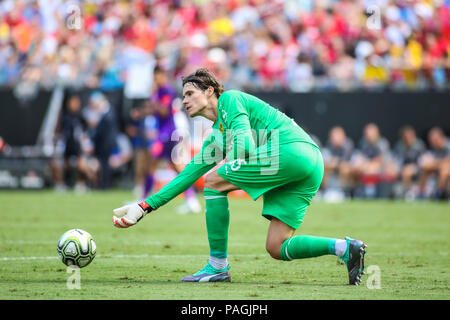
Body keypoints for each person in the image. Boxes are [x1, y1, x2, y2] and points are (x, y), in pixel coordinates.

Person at [112, 68, 367, 285]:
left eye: (190, 93)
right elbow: (186, 176)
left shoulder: (230, 100)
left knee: (212, 182)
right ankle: (345, 248)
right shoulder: (217, 134)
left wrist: (229, 160)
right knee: (277, 247)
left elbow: (244, 144)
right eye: (183, 96)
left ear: (210, 90)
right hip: (309, 162)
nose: (185, 101)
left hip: (289, 149)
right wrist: (144, 206)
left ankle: (217, 266)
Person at [144, 66, 201, 213]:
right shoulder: (157, 91)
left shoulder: (167, 91)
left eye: (158, 76)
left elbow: (164, 110)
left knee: (153, 164)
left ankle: (143, 198)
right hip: (163, 133)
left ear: (163, 75)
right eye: (154, 77)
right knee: (176, 168)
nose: (156, 79)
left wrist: (153, 103)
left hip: (168, 134)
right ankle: (191, 200)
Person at [321, 126, 355, 199]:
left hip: (344, 178)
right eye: (333, 136)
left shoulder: (348, 146)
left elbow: (348, 163)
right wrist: (334, 164)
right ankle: (325, 191)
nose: (336, 138)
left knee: (345, 168)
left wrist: (337, 163)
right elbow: (325, 162)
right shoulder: (328, 147)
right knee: (323, 169)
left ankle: (344, 192)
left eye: (338, 136)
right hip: (330, 180)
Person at [393, 125, 426, 199]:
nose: (407, 138)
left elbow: (423, 161)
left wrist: (414, 167)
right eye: (405, 136)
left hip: (418, 169)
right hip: (402, 169)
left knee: (407, 171)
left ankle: (409, 193)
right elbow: (396, 160)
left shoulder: (419, 145)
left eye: (409, 135)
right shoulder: (399, 146)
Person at [418, 127, 450, 200]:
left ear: (441, 137)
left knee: (445, 170)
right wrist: (438, 163)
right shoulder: (433, 148)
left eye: (434, 139)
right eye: (431, 140)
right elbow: (426, 162)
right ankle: (421, 194)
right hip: (439, 168)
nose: (432, 141)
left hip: (446, 169)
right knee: (426, 169)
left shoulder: (448, 145)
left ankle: (439, 194)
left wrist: (438, 162)